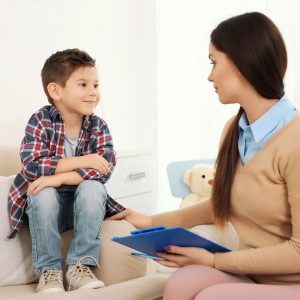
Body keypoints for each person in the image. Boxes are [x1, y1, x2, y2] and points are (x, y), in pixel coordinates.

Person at [109, 12, 300, 299]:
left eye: (213, 62)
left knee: (212, 296)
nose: (209, 75)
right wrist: (150, 221)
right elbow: (222, 204)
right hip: (255, 276)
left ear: (241, 62)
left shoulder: (295, 140)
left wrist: (213, 260)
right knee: (180, 283)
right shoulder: (233, 131)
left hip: (292, 283)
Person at [7, 49, 125, 293]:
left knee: (94, 187)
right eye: (83, 84)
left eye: (96, 84)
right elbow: (32, 165)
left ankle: (79, 267)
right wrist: (85, 160)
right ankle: (48, 271)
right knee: (43, 192)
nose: (93, 91)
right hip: (44, 211)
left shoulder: (98, 126)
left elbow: (103, 170)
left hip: (82, 209)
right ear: (55, 91)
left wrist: (57, 177)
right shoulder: (41, 120)